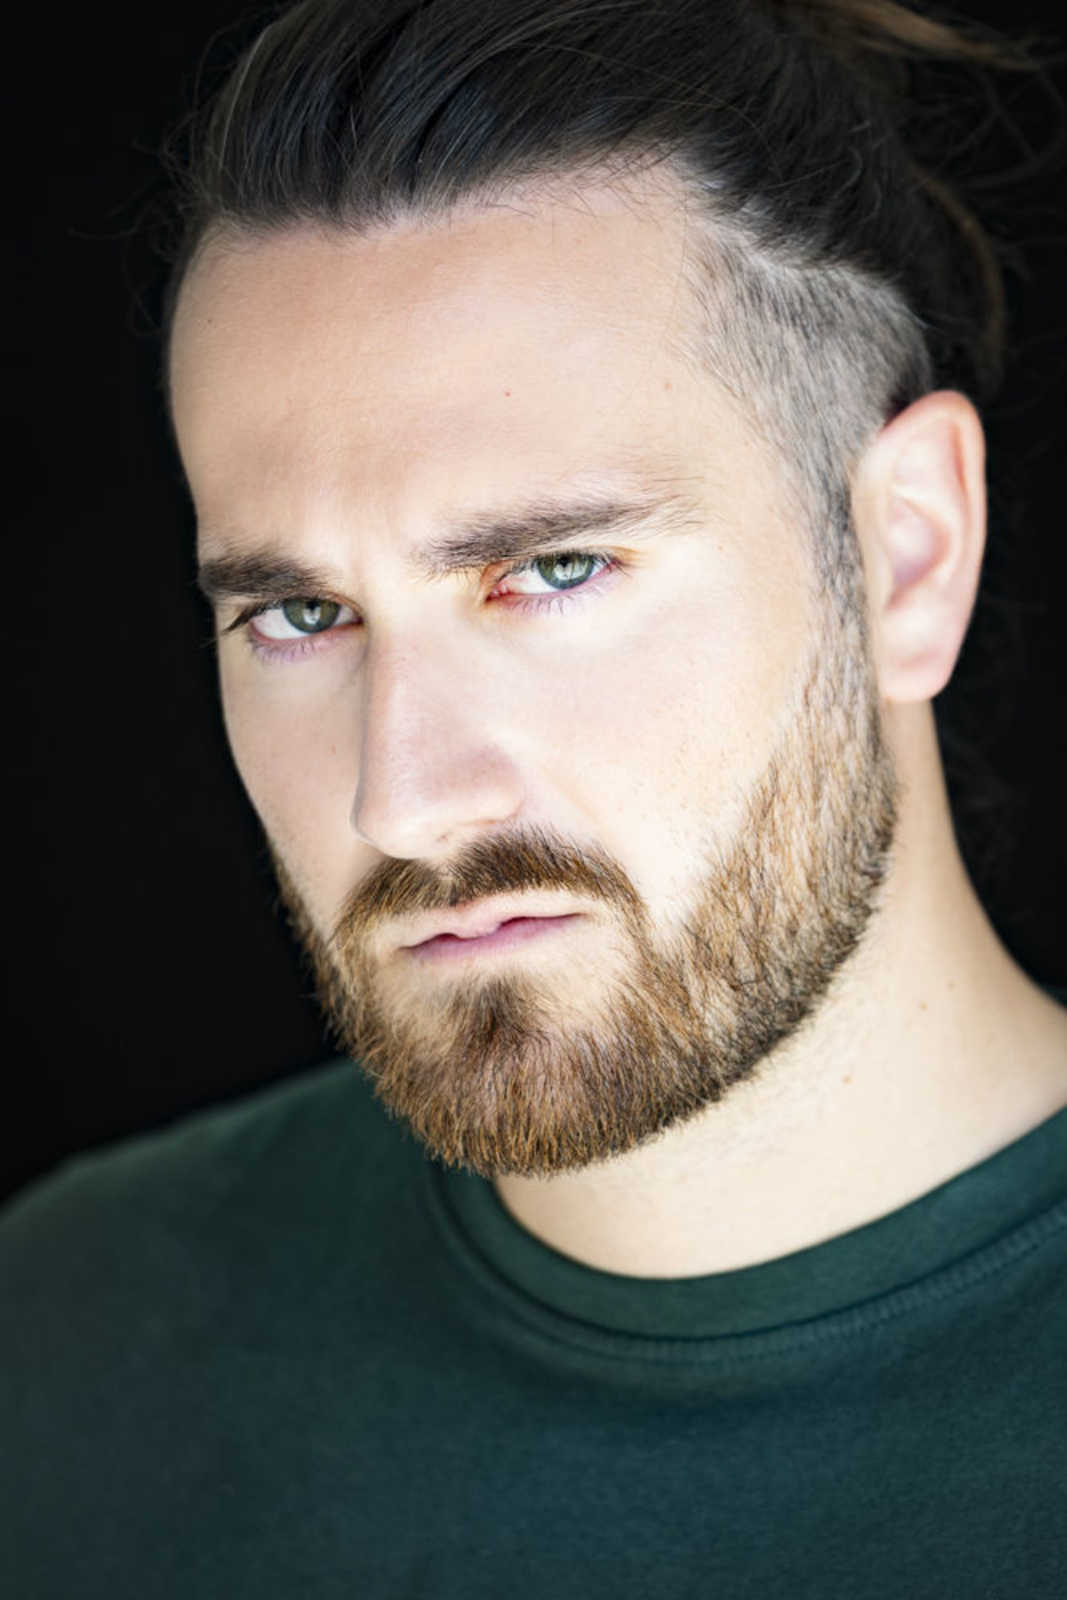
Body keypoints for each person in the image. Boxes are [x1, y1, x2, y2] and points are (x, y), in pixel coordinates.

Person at [4, 0, 1066, 1592]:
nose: (406, 801)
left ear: (908, 553)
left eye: (554, 571)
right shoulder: (68, 1341)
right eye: (301, 614)